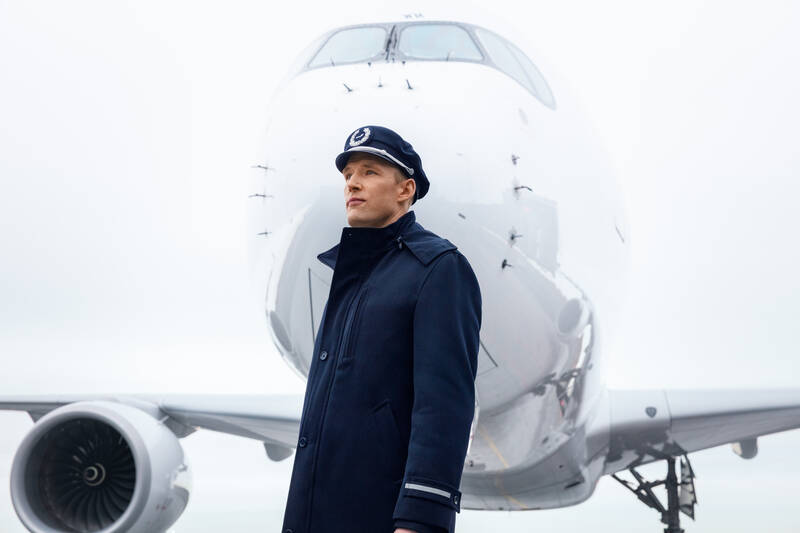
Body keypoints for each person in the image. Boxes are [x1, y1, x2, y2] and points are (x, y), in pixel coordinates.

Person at [280, 125, 482, 533]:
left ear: (405, 190)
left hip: (382, 518)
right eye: (348, 174)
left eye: (370, 171)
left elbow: (443, 409)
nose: (353, 182)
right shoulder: (350, 274)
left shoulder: (438, 269)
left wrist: (420, 518)